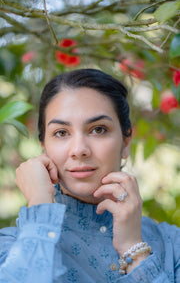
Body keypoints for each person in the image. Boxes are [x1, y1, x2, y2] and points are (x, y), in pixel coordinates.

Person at [0, 68, 179, 283]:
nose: (79, 149)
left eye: (98, 129)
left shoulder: (171, 244)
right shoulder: (10, 248)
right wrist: (39, 204)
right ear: (44, 148)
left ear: (126, 141)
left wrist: (134, 250)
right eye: (61, 133)